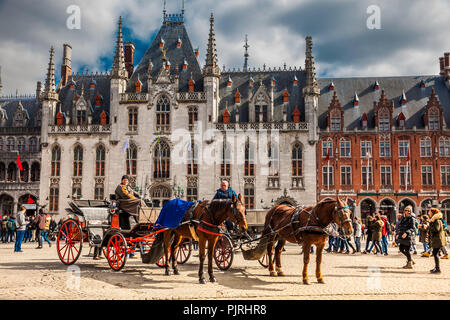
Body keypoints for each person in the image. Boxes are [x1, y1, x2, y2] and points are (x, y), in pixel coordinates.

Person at [427, 208, 448, 273]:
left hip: (438, 239)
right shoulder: (434, 220)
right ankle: (436, 268)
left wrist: (428, 226)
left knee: (435, 253)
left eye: (429, 212)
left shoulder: (437, 220)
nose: (428, 213)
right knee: (435, 253)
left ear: (433, 213)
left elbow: (436, 229)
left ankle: (438, 269)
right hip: (437, 239)